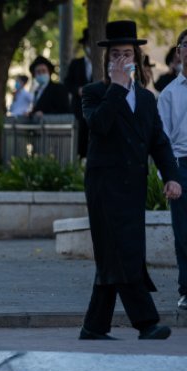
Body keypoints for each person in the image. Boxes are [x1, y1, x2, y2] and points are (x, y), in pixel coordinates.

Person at [79, 20, 181, 341]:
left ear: (136, 58)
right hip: (105, 188)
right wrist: (116, 90)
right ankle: (146, 322)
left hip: (133, 188)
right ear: (107, 60)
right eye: (117, 55)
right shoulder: (94, 93)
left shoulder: (147, 99)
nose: (123, 60)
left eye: (128, 54)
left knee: (116, 254)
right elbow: (99, 126)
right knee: (124, 253)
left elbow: (159, 142)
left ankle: (93, 327)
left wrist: (171, 177)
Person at [158, 28, 187, 310]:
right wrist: (167, 177)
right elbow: (161, 139)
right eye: (186, 45)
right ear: (178, 52)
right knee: (183, 232)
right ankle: (186, 288)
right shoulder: (168, 95)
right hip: (181, 166)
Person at [65, 29, 94, 158]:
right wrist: (78, 90)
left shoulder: (104, 65)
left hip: (96, 111)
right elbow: (67, 83)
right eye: (89, 44)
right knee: (78, 142)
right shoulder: (75, 64)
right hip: (78, 110)